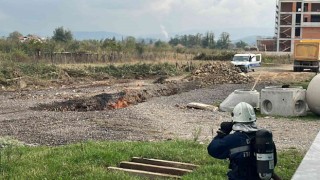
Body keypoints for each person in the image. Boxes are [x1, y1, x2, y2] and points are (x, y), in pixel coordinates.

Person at [207, 102, 280, 180]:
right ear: (254, 118)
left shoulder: (233, 139)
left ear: (234, 118)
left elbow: (212, 149)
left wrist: (222, 132)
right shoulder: (264, 138)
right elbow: (273, 161)